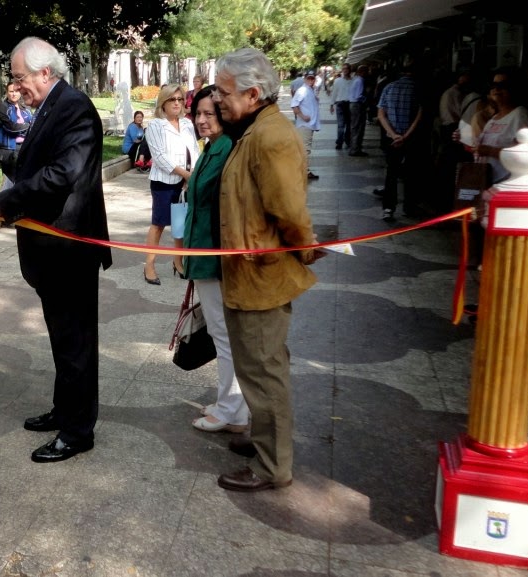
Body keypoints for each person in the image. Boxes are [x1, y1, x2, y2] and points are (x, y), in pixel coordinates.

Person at [0, 37, 112, 463]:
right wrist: (11, 164)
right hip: (50, 251)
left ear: (45, 73)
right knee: (61, 338)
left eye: (19, 78)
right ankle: (64, 410)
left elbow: (63, 175)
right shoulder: (53, 105)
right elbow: (42, 163)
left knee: (75, 342)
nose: (17, 87)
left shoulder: (73, 107)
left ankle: (77, 432)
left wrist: (3, 202)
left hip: (68, 250)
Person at [211, 47, 323, 492]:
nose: (217, 100)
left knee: (264, 372)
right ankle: (263, 442)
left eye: (224, 92)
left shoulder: (271, 136)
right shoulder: (254, 129)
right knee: (254, 367)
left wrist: (307, 250)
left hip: (262, 276)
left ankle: (272, 465)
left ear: (253, 93)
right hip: (246, 275)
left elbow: (290, 212)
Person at [183, 85, 251, 433]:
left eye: (210, 113)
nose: (202, 120)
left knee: (224, 336)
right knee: (222, 334)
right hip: (203, 254)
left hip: (216, 257)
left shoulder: (227, 150)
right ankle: (230, 405)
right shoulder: (212, 148)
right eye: (197, 114)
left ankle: (232, 411)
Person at [143, 83, 199, 284]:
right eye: (172, 100)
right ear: (163, 104)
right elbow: (159, 156)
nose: (177, 103)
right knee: (159, 224)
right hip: (164, 181)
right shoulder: (156, 125)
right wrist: (185, 174)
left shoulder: (187, 124)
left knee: (180, 223)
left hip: (185, 181)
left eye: (180, 99)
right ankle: (149, 265)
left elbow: (194, 148)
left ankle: (178, 261)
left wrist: (193, 172)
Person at [376, 63, 424, 222]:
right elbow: (419, 115)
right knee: (411, 173)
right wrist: (405, 136)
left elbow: (381, 114)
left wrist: (393, 134)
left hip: (392, 139)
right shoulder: (418, 88)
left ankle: (388, 209)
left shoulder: (389, 87)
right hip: (411, 139)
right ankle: (409, 207)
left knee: (391, 174)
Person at [0, 81, 32, 190]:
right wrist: (27, 127)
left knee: (24, 180)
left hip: (25, 148)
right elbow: (11, 127)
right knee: (9, 183)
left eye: (16, 91)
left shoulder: (26, 108)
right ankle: (1, 204)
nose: (14, 94)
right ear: (7, 92)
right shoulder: (3, 107)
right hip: (9, 150)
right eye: (11, 91)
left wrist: (26, 127)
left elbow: (34, 124)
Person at [291, 71, 321, 180]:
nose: (311, 80)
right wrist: (303, 116)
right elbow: (294, 105)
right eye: (309, 78)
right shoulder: (302, 90)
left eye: (312, 78)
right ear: (305, 79)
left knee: (304, 147)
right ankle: (305, 171)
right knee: (305, 148)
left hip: (309, 124)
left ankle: (303, 170)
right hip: (305, 125)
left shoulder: (310, 90)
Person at [329, 64, 352, 150]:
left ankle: (347, 140)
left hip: (350, 104)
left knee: (349, 125)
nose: (345, 70)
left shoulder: (353, 81)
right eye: (343, 69)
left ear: (350, 70)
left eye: (347, 68)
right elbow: (334, 92)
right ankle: (340, 142)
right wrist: (331, 104)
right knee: (341, 125)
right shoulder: (338, 81)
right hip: (340, 104)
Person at [348, 65, 369, 156]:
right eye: (367, 71)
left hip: (352, 104)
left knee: (354, 126)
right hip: (357, 105)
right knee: (358, 127)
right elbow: (358, 96)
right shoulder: (360, 80)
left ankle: (354, 147)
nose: (368, 73)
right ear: (362, 72)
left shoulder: (355, 79)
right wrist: (366, 98)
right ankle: (355, 149)